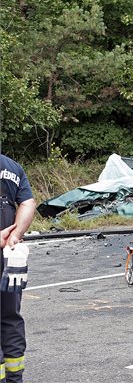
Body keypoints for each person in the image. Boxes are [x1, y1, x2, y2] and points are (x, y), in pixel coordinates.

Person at [0, 153, 36, 383]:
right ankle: (14, 378)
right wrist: (15, 236)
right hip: (10, 257)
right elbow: (28, 202)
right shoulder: (12, 167)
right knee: (10, 316)